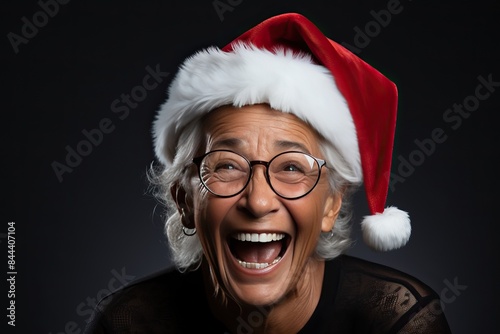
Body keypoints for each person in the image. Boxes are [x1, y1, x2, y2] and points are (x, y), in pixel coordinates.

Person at [84, 13, 452, 333]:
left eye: (292, 167)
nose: (258, 202)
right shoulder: (128, 324)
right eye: (227, 165)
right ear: (185, 200)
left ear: (331, 205)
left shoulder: (398, 321)